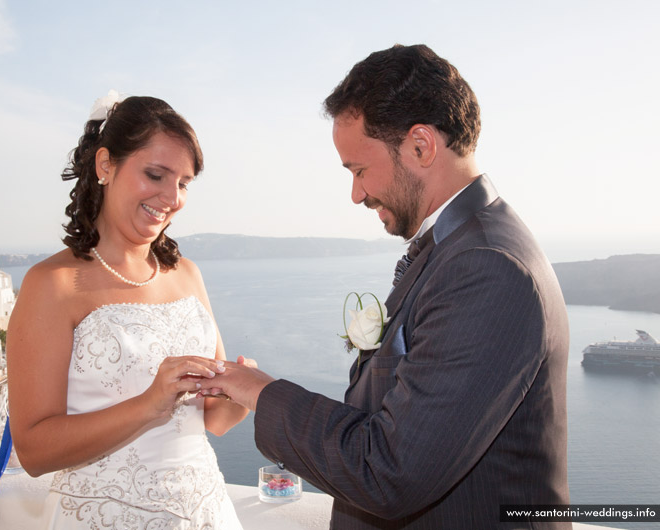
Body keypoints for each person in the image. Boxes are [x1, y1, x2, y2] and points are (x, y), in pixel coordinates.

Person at [199, 44, 571, 529]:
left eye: (358, 169)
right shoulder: (458, 246)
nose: (355, 193)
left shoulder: (486, 266)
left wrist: (260, 391)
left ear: (421, 145)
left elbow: (389, 473)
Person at [7, 92, 249, 529]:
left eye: (184, 183)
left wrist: (236, 398)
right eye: (155, 175)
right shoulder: (52, 284)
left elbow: (212, 420)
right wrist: (148, 404)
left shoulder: (187, 274)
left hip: (206, 514)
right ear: (105, 165)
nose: (172, 197)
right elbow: (33, 451)